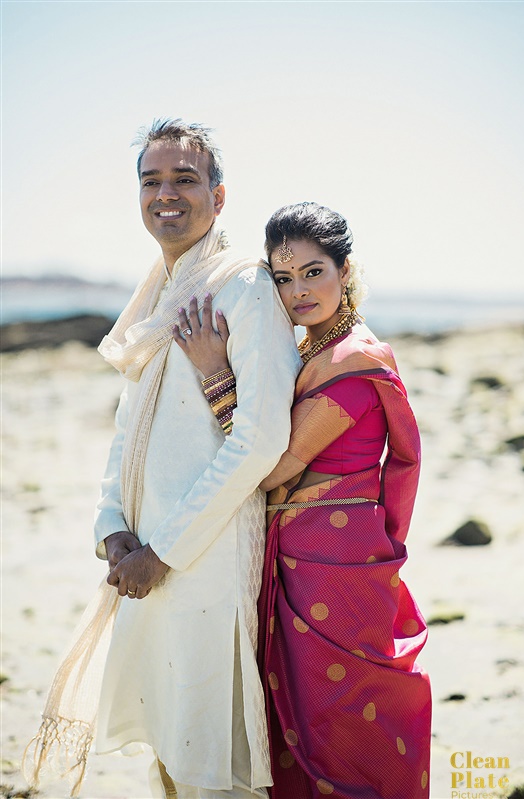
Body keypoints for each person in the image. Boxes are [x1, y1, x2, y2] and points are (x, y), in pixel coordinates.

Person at [22, 120, 302, 799]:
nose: (165, 194)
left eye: (184, 179)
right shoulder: (159, 291)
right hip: (141, 557)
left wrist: (165, 550)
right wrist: (110, 524)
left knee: (212, 763)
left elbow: (260, 438)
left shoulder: (244, 287)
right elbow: (129, 424)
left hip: (200, 559)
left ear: (218, 194)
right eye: (151, 180)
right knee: (168, 755)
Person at [176, 202, 432, 799]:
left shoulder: (352, 360)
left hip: (333, 562)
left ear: (345, 270)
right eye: (283, 278)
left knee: (337, 710)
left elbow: (268, 468)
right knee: (305, 707)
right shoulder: (313, 350)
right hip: (304, 553)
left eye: (314, 271)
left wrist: (216, 375)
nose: (299, 290)